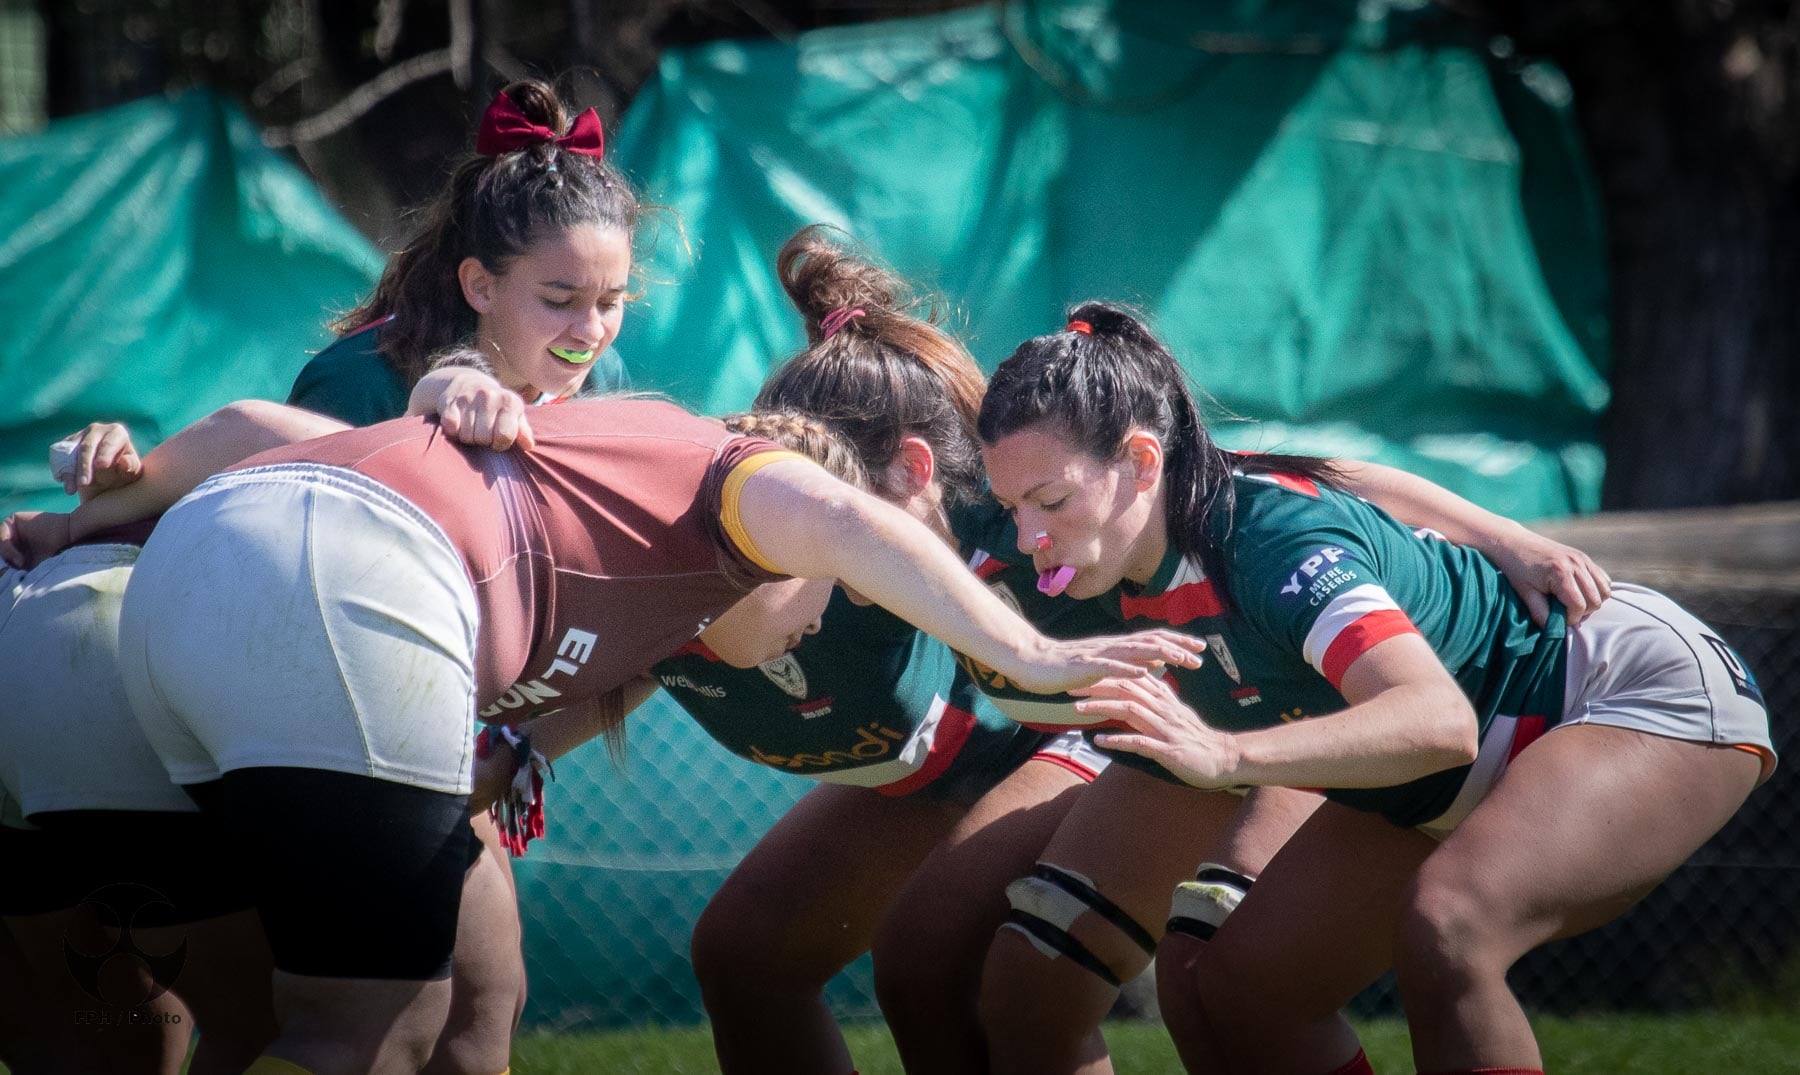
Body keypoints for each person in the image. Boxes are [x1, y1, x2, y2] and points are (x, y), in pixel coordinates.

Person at [23, 388, 1199, 1075]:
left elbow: (272, 444)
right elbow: (840, 517)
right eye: (816, 585)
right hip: (311, 597)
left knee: (221, 1015)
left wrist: (102, 520)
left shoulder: (647, 574)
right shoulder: (737, 486)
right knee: (380, 1021)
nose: (799, 620)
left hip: (173, 610)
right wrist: (1034, 654)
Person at [972, 302, 1776, 1075]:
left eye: (1050, 500)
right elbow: (1342, 473)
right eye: (1012, 505)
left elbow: (1436, 720)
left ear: (1143, 463)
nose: (1028, 535)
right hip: (1453, 770)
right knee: (1240, 987)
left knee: (1451, 928)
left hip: (1624, 691)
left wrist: (1224, 753)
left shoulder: (1266, 542)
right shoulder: (1115, 534)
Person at [288, 79, 635, 426]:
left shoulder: (601, 382)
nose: (591, 332)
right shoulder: (357, 388)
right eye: (559, 300)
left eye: (609, 303)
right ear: (481, 286)